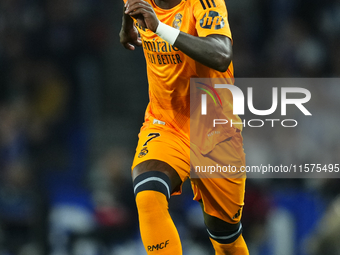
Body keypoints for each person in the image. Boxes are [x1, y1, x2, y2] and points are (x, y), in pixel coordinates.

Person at [119, 0, 248, 254]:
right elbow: (129, 8)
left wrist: (159, 28)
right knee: (147, 193)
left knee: (226, 239)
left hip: (214, 129)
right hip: (165, 122)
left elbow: (221, 55)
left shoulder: (205, 3)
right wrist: (126, 26)